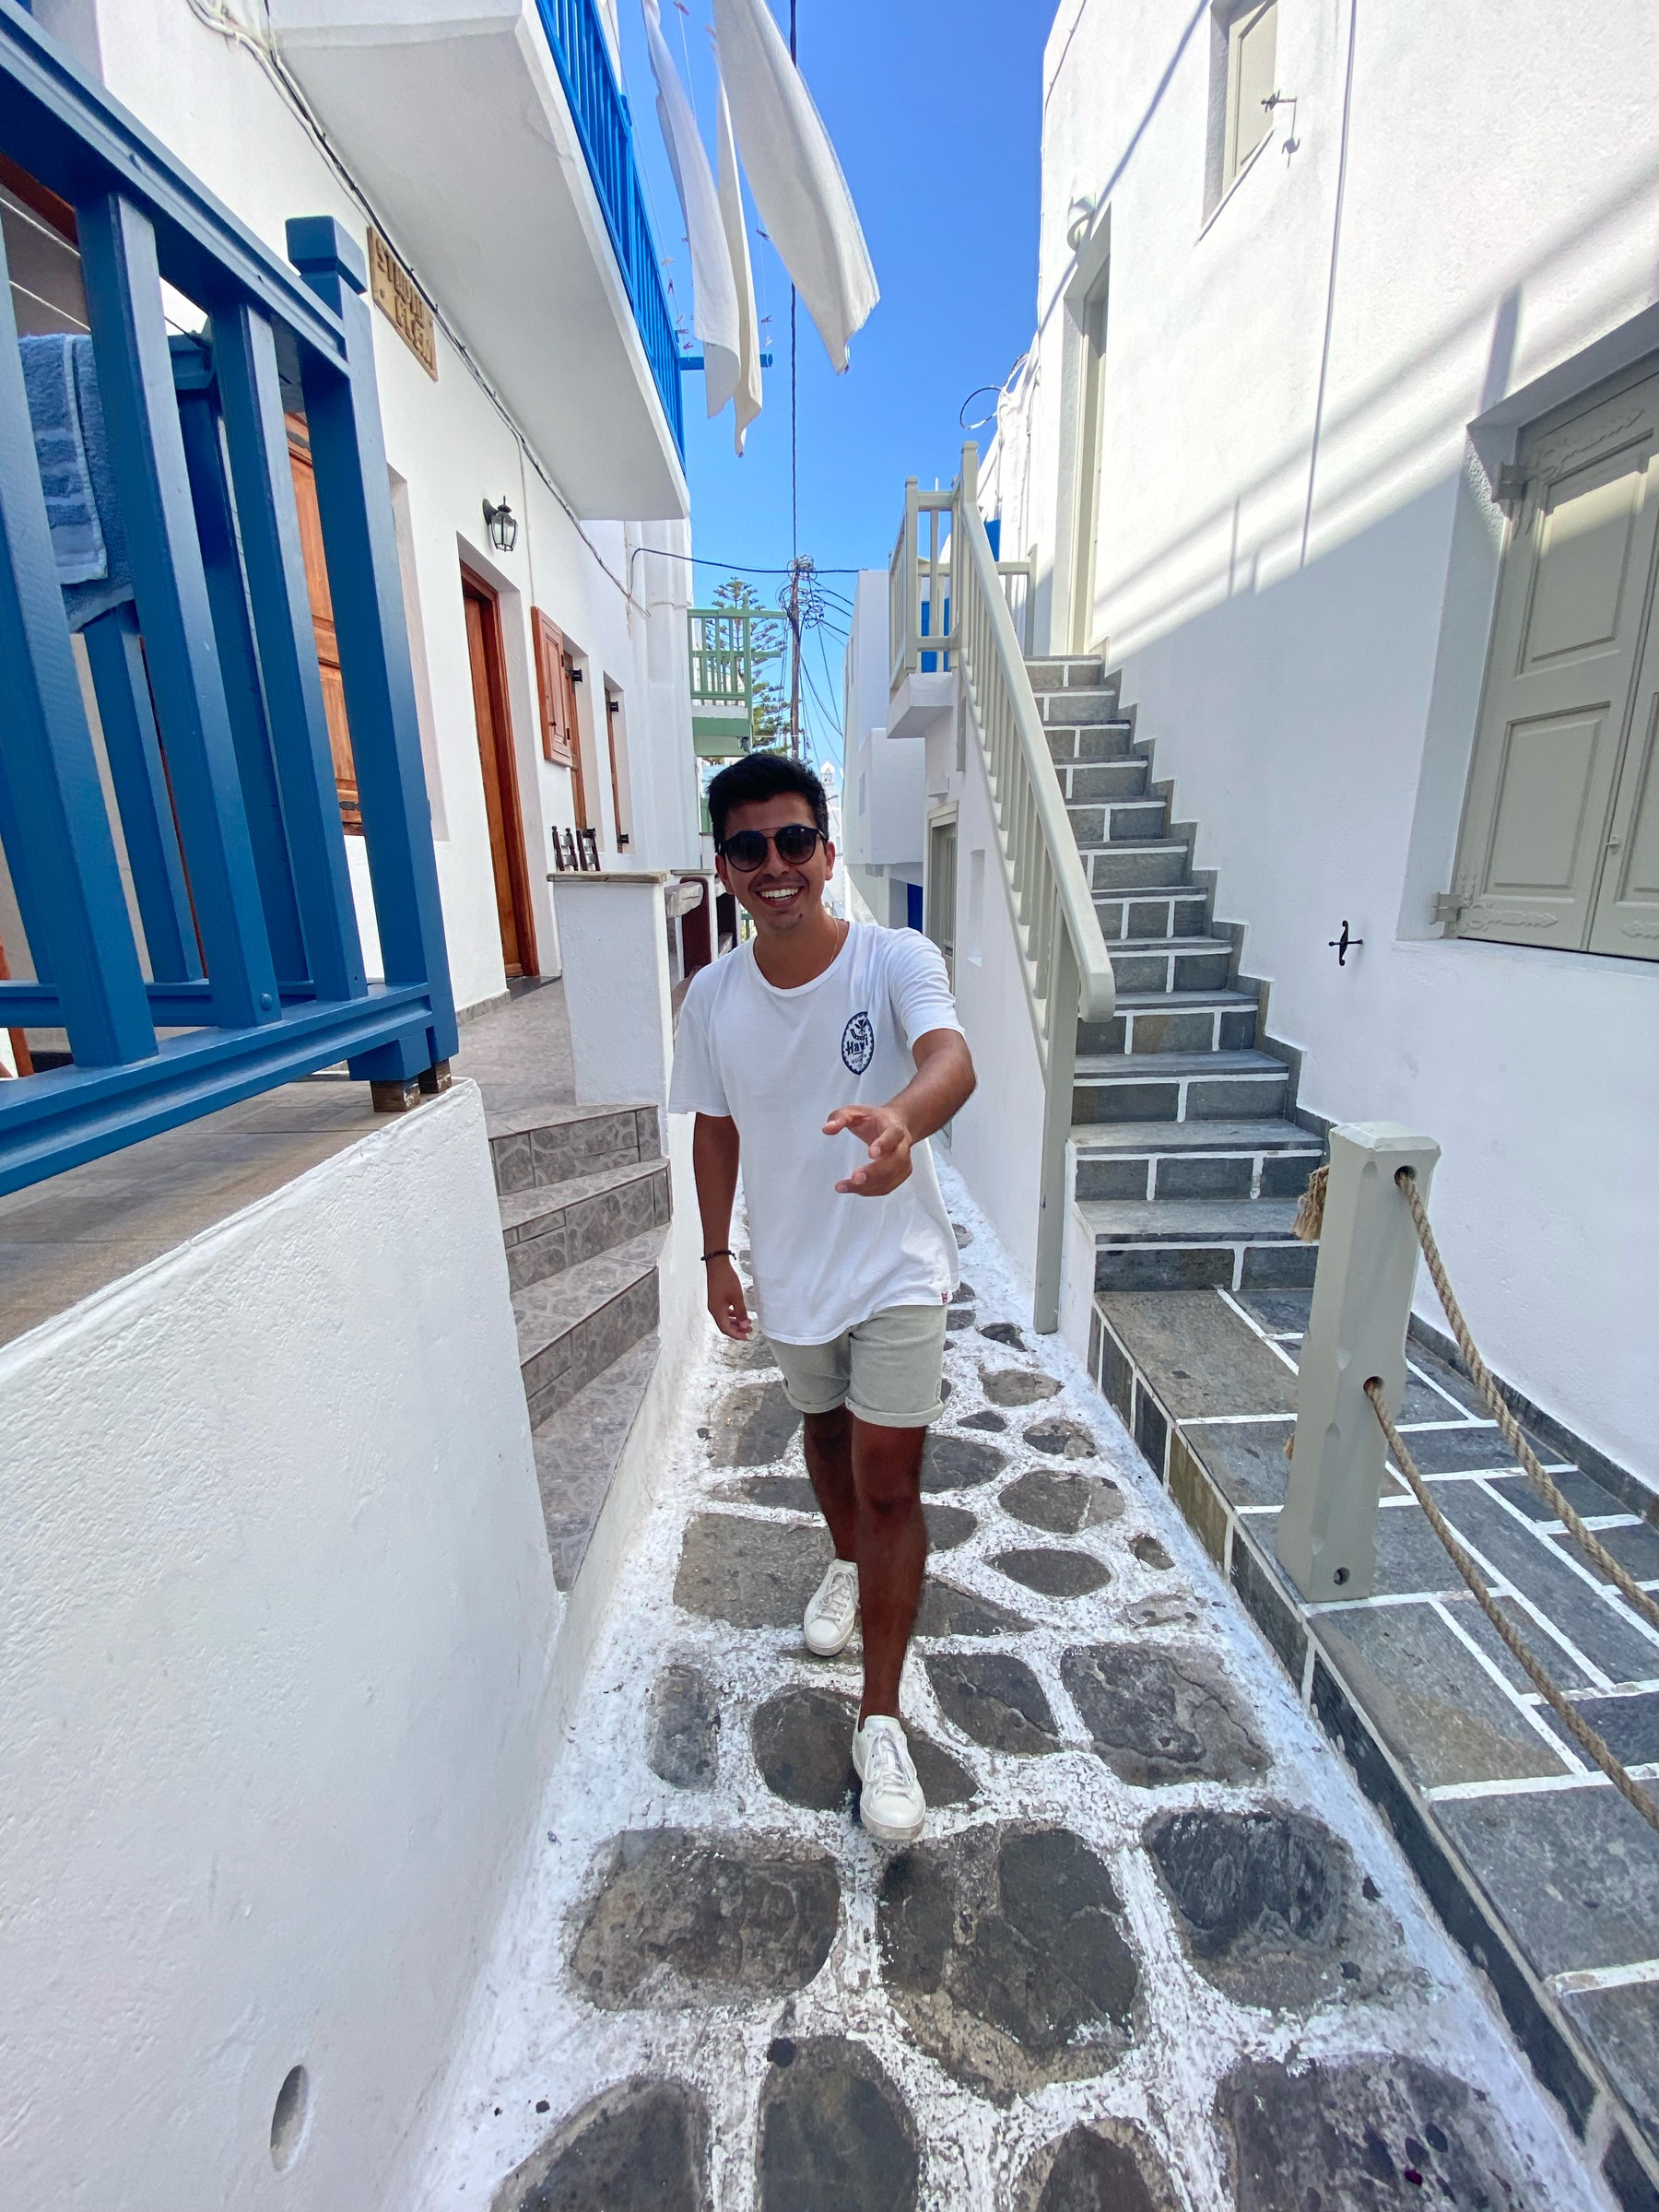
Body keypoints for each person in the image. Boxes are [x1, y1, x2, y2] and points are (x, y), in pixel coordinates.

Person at [669, 751, 976, 1844]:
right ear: (725, 868)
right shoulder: (712, 996)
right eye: (749, 847)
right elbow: (714, 1127)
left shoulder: (894, 959)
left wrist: (903, 1120)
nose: (775, 864)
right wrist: (717, 1254)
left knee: (889, 1479)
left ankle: (880, 1719)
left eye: (794, 840)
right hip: (793, 1268)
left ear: (827, 851)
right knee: (825, 1431)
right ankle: (847, 1564)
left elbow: (950, 1057)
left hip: (895, 1263)